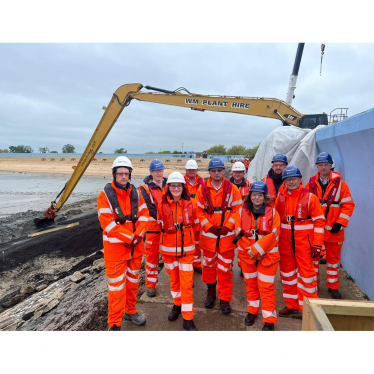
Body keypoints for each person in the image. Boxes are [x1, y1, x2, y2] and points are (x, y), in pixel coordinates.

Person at [97, 156, 149, 331]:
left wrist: (137, 236)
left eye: (126, 174)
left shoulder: (136, 194)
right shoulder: (104, 197)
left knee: (133, 283)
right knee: (116, 289)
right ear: (114, 174)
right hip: (115, 252)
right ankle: (114, 323)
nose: (124, 177)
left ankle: (130, 311)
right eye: (120, 174)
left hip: (135, 249)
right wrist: (130, 238)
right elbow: (108, 224)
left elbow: (144, 216)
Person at [275, 166, 326, 316]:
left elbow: (319, 222)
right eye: (288, 179)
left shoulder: (310, 197)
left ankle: (309, 310)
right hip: (285, 244)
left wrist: (317, 244)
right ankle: (292, 304)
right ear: (284, 182)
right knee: (287, 276)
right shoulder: (280, 198)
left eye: (294, 179)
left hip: (305, 244)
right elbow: (276, 221)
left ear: (300, 180)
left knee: (307, 277)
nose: (291, 182)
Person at [305, 152, 355, 299]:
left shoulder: (341, 184)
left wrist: (340, 223)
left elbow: (349, 205)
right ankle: (313, 283)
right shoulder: (312, 182)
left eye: (326, 164)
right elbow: (306, 201)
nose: (323, 167)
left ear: (331, 165)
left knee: (333, 260)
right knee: (314, 258)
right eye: (320, 165)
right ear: (317, 167)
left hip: (334, 228)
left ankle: (333, 287)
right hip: (316, 229)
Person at [196, 157, 242, 314]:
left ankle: (224, 299)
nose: (216, 173)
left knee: (225, 269)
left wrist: (228, 227)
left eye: (219, 170)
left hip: (226, 237)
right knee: (208, 266)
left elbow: (238, 210)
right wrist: (209, 227)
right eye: (213, 170)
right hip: (209, 238)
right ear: (209, 172)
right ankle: (210, 292)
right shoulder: (202, 189)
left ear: (224, 171)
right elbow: (199, 212)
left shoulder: (233, 189)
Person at [233, 181, 280, 331]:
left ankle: (269, 320)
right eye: (254, 195)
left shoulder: (273, 213)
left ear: (265, 197)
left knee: (266, 288)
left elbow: (274, 235)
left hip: (268, 257)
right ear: (250, 196)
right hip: (248, 257)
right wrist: (252, 252)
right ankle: (252, 311)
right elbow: (238, 234)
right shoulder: (240, 212)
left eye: (260, 195)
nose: (257, 198)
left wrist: (257, 251)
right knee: (251, 285)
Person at [157, 172, 199, 331]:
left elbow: (196, 225)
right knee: (174, 282)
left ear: (183, 187)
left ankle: (188, 318)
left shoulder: (192, 203)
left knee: (186, 284)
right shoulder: (162, 205)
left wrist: (184, 235)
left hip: (186, 252)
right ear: (168, 188)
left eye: (178, 186)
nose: (176, 188)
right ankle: (177, 305)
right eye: (173, 186)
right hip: (168, 252)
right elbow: (159, 222)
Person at [139, 159, 167, 297]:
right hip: (153, 230)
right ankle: (150, 285)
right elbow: (149, 208)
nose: (159, 173)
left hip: (168, 229)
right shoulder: (144, 189)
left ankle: (177, 281)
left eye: (161, 170)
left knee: (172, 257)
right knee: (151, 258)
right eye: (156, 171)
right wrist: (165, 218)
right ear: (151, 172)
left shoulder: (169, 185)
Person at [230, 161, 251, 276]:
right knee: (229, 245)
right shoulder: (226, 185)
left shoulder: (250, 185)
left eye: (240, 172)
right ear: (232, 173)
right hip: (230, 220)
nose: (237, 174)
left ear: (244, 173)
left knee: (244, 245)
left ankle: (243, 266)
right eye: (235, 172)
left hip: (245, 220)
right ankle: (228, 265)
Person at [184, 159, 204, 274]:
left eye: (193, 169)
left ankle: (196, 264)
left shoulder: (202, 182)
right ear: (186, 170)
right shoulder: (181, 181)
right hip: (185, 217)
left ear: (197, 170)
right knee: (187, 242)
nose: (191, 171)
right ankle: (188, 264)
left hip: (198, 217)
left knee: (197, 243)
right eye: (189, 169)